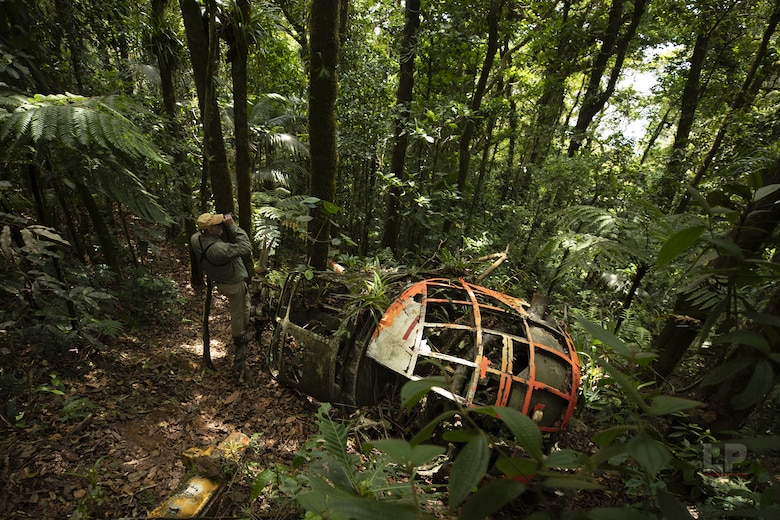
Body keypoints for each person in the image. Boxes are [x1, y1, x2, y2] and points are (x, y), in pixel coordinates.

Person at [190, 212, 253, 376]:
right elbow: (246, 247)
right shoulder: (218, 249)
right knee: (238, 312)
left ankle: (242, 328)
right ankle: (238, 336)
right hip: (233, 284)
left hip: (221, 280)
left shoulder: (196, 239)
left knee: (243, 307)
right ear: (210, 230)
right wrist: (232, 226)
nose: (221, 226)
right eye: (218, 225)